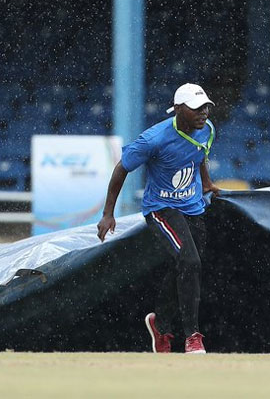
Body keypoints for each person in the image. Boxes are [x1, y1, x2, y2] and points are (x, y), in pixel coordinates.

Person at [97, 83, 220, 354]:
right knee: (189, 262)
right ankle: (193, 337)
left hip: (193, 207)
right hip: (161, 208)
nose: (204, 112)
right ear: (177, 109)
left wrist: (207, 183)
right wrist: (108, 213)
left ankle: (160, 325)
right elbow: (122, 168)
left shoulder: (207, 130)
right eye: (197, 108)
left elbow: (200, 156)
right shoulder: (154, 139)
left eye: (206, 106)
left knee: (186, 266)